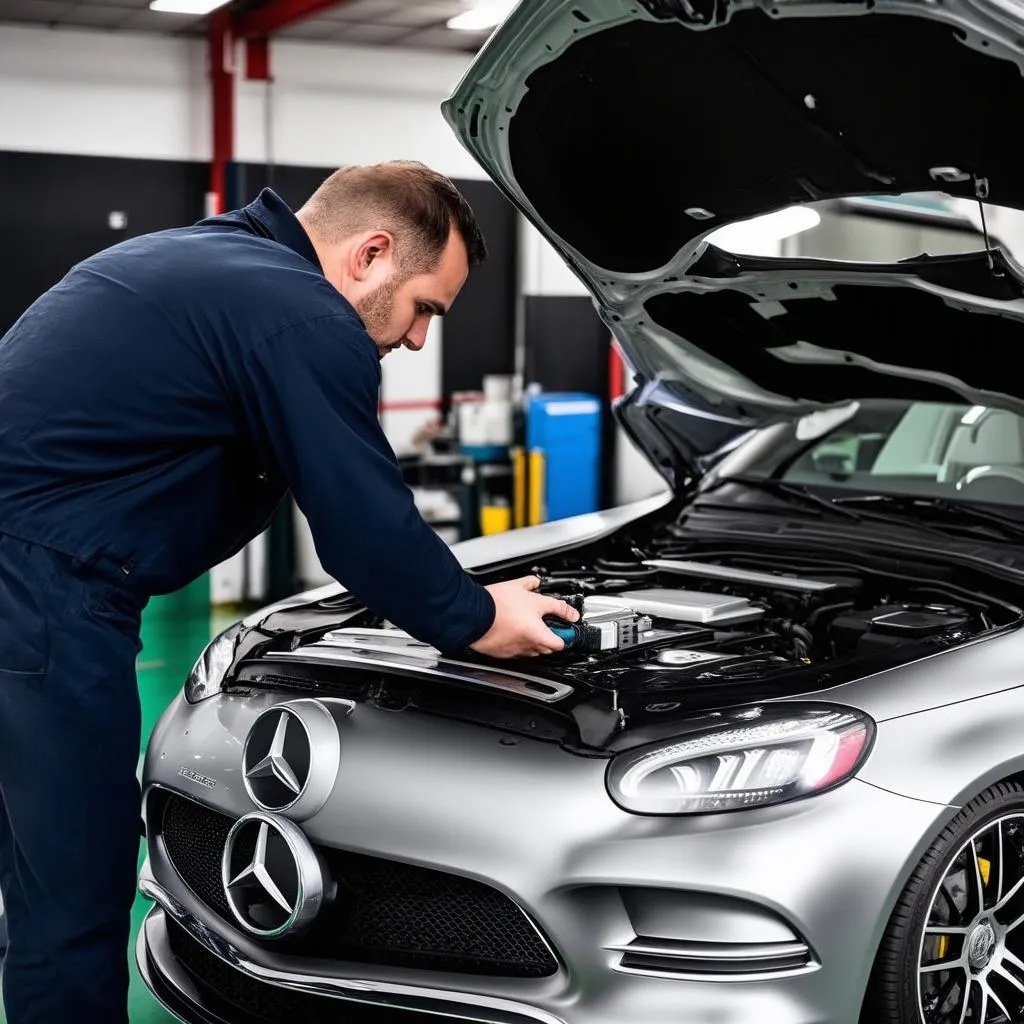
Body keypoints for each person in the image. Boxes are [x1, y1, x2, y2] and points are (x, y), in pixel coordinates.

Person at [0, 160, 579, 1024]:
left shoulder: (212, 263)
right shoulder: (302, 313)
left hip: (31, 572)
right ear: (370, 254)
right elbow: (359, 523)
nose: (419, 339)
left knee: (35, 869)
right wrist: (477, 617)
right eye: (425, 306)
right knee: (73, 888)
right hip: (39, 590)